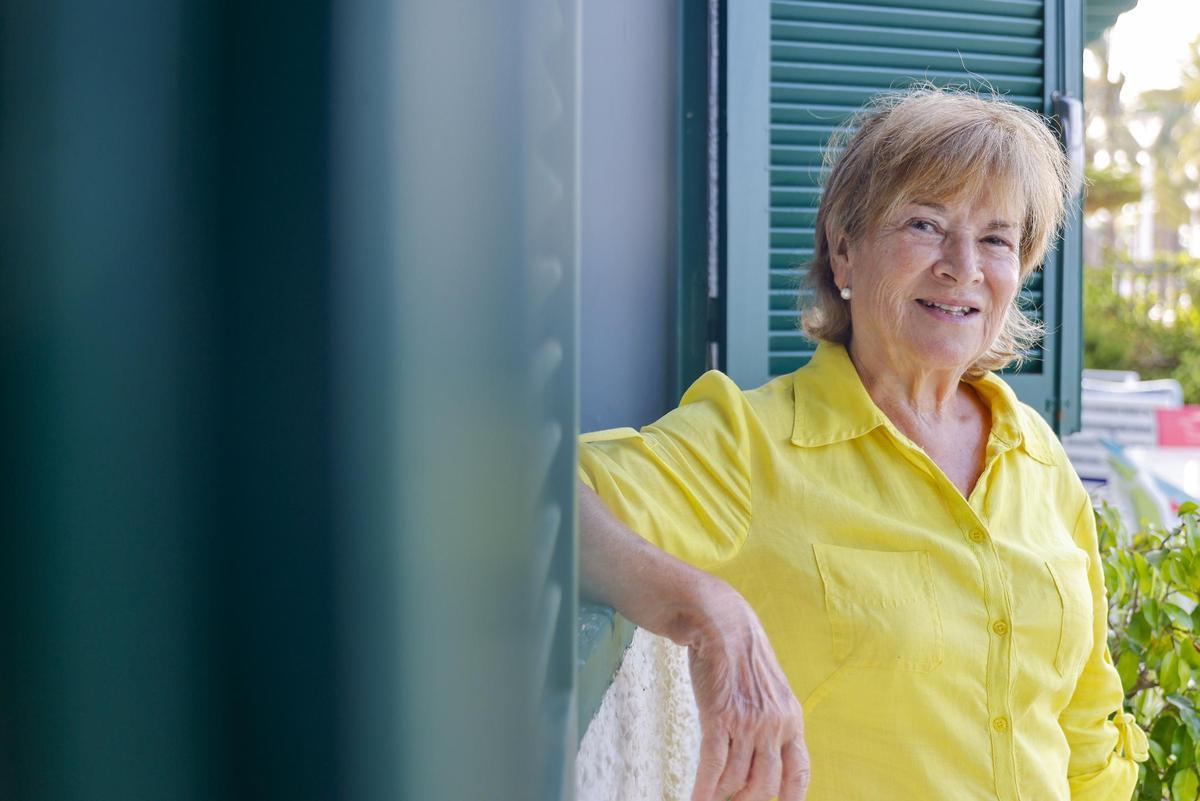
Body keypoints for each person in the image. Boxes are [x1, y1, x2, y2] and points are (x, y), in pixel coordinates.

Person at [577, 88, 1149, 801]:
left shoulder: (1036, 453)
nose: (963, 265)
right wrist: (707, 609)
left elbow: (1086, 727)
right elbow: (536, 496)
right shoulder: (750, 443)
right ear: (844, 253)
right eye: (925, 223)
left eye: (997, 238)